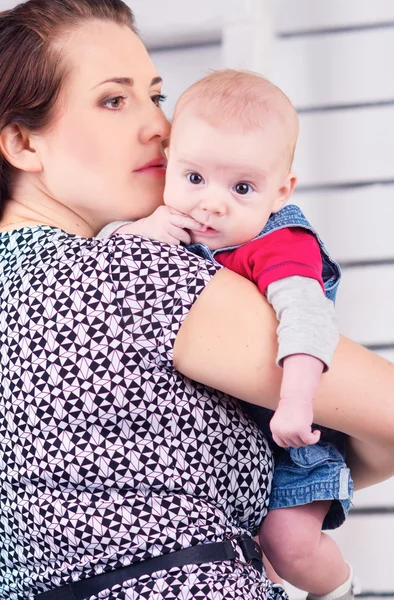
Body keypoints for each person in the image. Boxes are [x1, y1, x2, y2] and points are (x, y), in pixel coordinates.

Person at [0, 1, 394, 600]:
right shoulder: (132, 272)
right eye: (114, 99)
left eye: (155, 96)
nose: (160, 127)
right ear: (23, 143)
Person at [99, 70, 355, 599]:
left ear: (280, 189)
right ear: (170, 162)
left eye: (242, 188)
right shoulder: (163, 221)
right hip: (216, 452)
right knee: (248, 564)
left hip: (288, 434)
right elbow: (104, 264)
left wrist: (297, 399)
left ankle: (342, 590)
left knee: (289, 544)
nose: (211, 204)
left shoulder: (278, 242)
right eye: (194, 178)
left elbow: (308, 318)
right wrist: (135, 233)